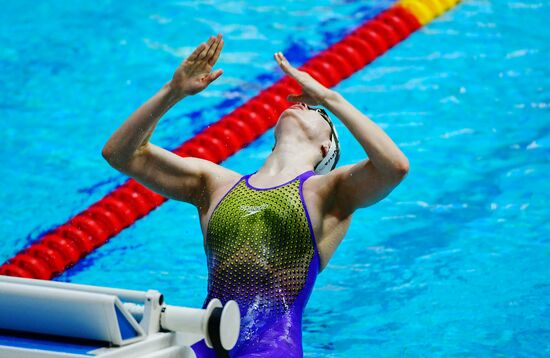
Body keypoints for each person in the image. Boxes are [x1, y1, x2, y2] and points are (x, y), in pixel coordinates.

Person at [102, 33, 409, 357]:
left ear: (325, 148)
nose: (304, 103)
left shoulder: (328, 193)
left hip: (272, 350)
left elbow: (394, 167)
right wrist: (172, 92)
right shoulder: (216, 183)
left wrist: (330, 98)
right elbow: (121, 154)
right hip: (205, 348)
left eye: (318, 113)